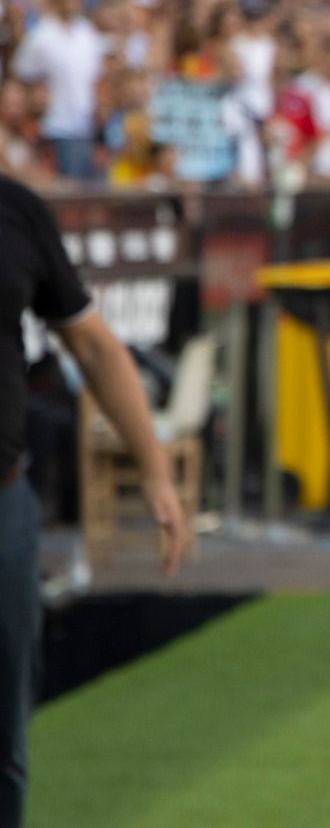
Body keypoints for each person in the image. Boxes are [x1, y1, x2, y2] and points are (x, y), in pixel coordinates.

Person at [1, 173, 189, 828]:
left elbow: (96, 346)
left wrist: (157, 474)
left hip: (3, 505)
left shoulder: (17, 211)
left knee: (5, 742)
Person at [10, 0, 106, 180]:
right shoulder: (43, 34)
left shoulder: (87, 32)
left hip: (85, 127)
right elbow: (20, 72)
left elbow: (96, 78)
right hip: (54, 126)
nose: (71, 1)